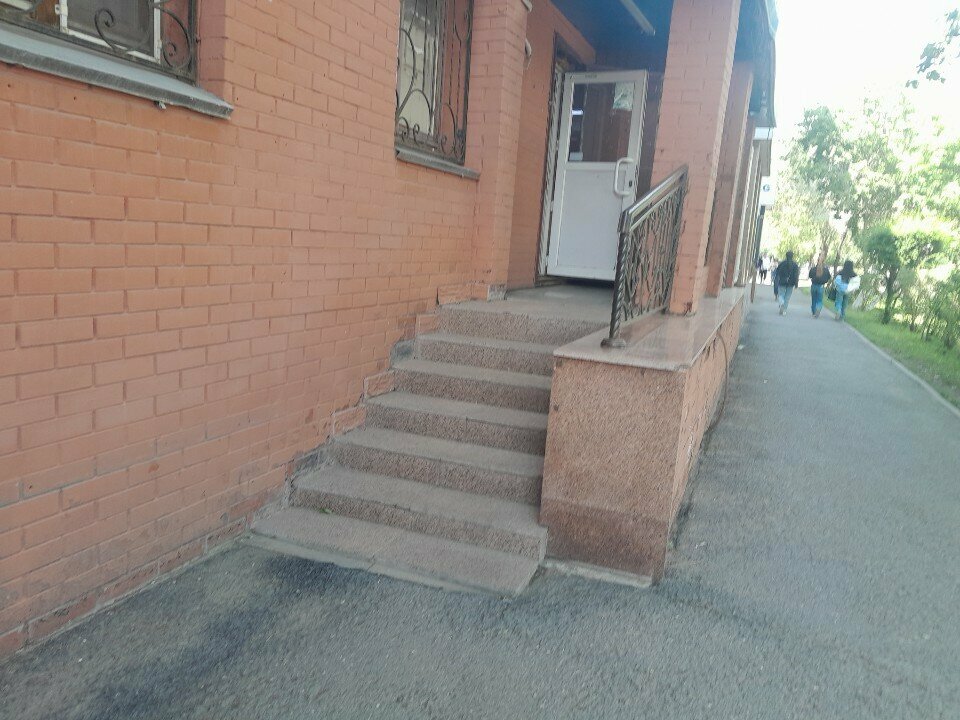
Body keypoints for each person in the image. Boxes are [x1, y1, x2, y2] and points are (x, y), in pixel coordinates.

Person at [774, 251, 800, 315]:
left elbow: (778, 272)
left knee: (781, 294)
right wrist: (796, 284)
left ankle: (781, 303)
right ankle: (784, 310)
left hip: (782, 281)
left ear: (786, 256)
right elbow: (796, 275)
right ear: (792, 256)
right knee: (787, 297)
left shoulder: (782, 263)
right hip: (791, 283)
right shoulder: (795, 265)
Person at [808, 254, 831, 318]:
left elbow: (810, 276)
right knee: (819, 300)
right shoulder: (826, 270)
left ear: (817, 261)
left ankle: (814, 312)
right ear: (824, 262)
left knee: (814, 300)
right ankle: (818, 308)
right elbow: (829, 277)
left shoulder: (813, 269)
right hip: (821, 286)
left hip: (814, 285)